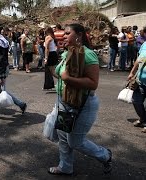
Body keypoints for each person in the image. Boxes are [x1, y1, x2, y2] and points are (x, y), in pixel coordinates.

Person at [48, 23, 112, 175]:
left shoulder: (88, 54)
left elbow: (93, 83)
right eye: (63, 33)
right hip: (64, 102)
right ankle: (65, 167)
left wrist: (68, 78)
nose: (63, 36)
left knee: (75, 141)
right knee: (63, 138)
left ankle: (105, 155)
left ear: (79, 35)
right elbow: (60, 74)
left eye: (67, 33)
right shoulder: (67, 53)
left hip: (82, 104)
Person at [0, 23, 27, 119]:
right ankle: (21, 104)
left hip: (0, 69)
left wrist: (1, 75)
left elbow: (2, 59)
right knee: (1, 91)